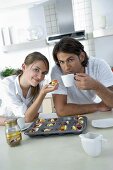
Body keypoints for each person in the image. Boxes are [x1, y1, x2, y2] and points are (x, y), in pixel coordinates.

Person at [51, 37, 113, 116]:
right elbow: (61, 111)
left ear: (81, 56)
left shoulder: (99, 65)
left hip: (96, 114)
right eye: (62, 62)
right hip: (72, 115)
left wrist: (96, 86)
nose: (66, 67)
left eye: (70, 60)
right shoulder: (56, 70)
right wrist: (97, 106)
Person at [0, 51, 58, 125]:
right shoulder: (7, 84)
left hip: (27, 126)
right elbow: (28, 118)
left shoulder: (39, 85)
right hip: (7, 128)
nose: (40, 77)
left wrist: (27, 116)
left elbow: (33, 116)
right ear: (24, 67)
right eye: (36, 70)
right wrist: (42, 94)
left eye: (43, 73)